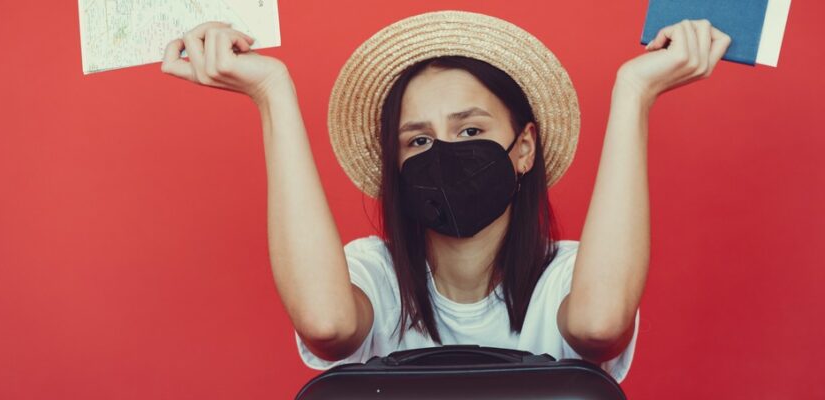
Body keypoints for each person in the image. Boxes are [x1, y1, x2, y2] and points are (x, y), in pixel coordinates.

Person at [161, 10, 731, 383]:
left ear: (524, 147)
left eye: (470, 131)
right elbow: (327, 325)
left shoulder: (571, 277)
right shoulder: (372, 274)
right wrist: (270, 92)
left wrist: (635, 94)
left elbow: (600, 324)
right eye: (420, 139)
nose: (444, 152)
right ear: (396, 163)